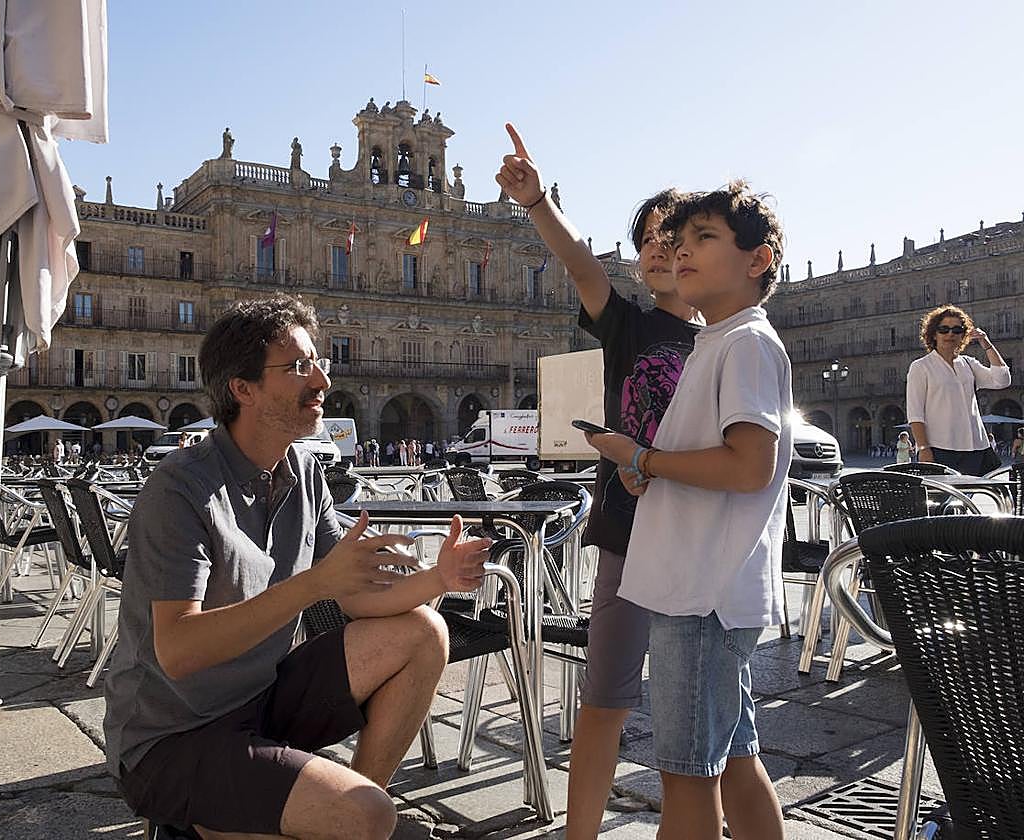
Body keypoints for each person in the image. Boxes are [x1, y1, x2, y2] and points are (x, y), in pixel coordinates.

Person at [103, 295, 490, 839]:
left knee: (425, 630)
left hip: (261, 701)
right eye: (298, 367)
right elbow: (179, 650)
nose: (322, 382)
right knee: (372, 818)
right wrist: (314, 585)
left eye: (319, 363)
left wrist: (437, 579)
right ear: (242, 389)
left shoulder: (303, 471)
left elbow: (355, 596)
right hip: (172, 737)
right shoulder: (179, 488)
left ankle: (328, 813)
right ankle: (256, 816)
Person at [497, 124, 700, 839]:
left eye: (673, 238)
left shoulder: (727, 341)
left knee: (697, 719)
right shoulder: (630, 328)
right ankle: (576, 832)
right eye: (645, 238)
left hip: (700, 547)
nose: (656, 248)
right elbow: (583, 266)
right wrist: (538, 203)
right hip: (625, 537)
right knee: (605, 699)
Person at [584, 182, 790, 840]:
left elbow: (748, 465)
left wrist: (643, 461)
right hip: (701, 590)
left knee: (684, 776)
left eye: (704, 238)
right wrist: (651, 472)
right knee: (733, 759)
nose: (681, 251)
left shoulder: (745, 344)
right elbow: (713, 457)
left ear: (756, 261)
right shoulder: (718, 343)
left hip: (701, 598)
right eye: (679, 239)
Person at [906, 305, 1010, 475]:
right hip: (940, 447)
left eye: (956, 330)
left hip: (976, 446)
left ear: (963, 335)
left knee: (968, 499)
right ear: (933, 333)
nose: (950, 334)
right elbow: (915, 414)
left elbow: (1002, 380)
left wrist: (986, 343)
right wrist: (924, 448)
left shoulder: (969, 364)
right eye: (944, 329)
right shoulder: (921, 367)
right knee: (941, 500)